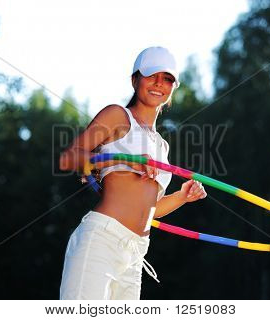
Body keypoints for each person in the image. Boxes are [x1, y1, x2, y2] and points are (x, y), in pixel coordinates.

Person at [59, 46, 207, 300]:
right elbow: (67, 158)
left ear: (173, 88)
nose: (159, 83)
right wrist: (128, 161)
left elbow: (150, 210)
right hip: (102, 241)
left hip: (136, 254)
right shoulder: (118, 115)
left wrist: (182, 197)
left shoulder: (162, 146)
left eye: (167, 78)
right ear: (134, 79)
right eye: (151, 75)